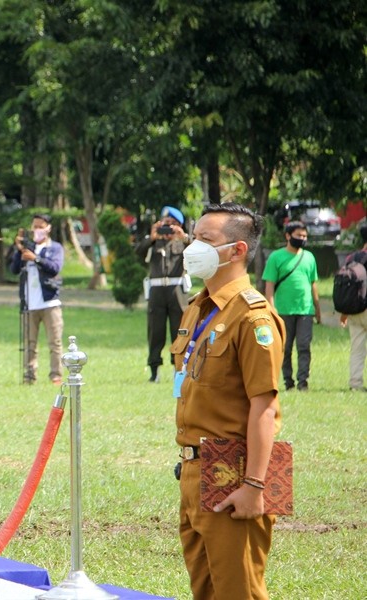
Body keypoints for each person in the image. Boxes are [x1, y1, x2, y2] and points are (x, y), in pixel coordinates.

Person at [171, 202, 285, 600]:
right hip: (193, 468)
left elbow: (265, 407)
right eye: (193, 237)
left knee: (238, 593)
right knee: (204, 591)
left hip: (233, 471)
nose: (192, 247)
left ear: (237, 250)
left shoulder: (254, 318)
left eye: (205, 240)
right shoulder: (198, 308)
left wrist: (256, 485)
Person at [134, 206, 192, 382]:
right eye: (165, 224)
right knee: (155, 331)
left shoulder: (183, 243)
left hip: (177, 292)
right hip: (157, 291)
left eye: (172, 224)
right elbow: (137, 252)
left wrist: (183, 237)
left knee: (179, 331)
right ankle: (154, 370)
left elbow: (198, 250)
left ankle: (178, 368)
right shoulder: (153, 242)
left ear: (179, 225)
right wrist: (152, 237)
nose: (168, 229)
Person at [263, 221, 320, 391]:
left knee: (304, 346)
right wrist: (272, 310)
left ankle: (303, 382)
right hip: (283, 311)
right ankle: (288, 382)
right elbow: (269, 286)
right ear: (288, 236)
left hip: (305, 310)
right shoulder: (276, 257)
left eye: (304, 236)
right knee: (285, 348)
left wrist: (317, 309)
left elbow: (313, 284)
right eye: (298, 236)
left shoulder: (309, 257)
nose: (302, 239)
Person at [10, 214, 64, 385]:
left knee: (54, 341)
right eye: (35, 226)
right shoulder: (28, 247)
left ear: (48, 228)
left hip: (49, 302)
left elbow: (55, 267)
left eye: (41, 226)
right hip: (29, 303)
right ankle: (29, 375)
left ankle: (56, 375)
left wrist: (36, 258)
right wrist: (19, 251)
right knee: (29, 343)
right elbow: (14, 269)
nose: (37, 230)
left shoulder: (54, 248)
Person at [340, 222, 367, 392]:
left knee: (357, 348)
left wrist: (344, 312)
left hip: (354, 310)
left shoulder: (351, 258)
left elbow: (345, 285)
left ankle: (355, 384)